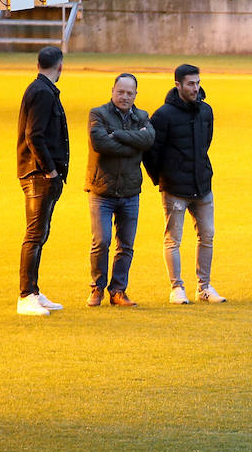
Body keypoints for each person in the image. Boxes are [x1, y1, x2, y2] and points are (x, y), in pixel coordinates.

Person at [145, 63, 223, 304]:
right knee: (173, 239)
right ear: (177, 84)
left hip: (203, 185)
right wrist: (162, 178)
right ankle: (176, 288)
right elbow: (151, 152)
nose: (195, 88)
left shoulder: (206, 110)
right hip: (174, 188)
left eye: (198, 83)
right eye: (190, 84)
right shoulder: (163, 115)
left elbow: (206, 143)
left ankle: (204, 287)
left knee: (207, 236)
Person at [86, 73, 155, 308]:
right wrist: (133, 145)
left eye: (129, 93)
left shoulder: (142, 116)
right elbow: (100, 144)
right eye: (121, 92)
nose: (124, 96)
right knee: (102, 241)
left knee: (126, 245)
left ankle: (118, 290)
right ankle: (97, 288)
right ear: (112, 91)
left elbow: (149, 140)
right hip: (101, 190)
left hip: (130, 191)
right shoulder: (98, 114)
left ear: (135, 95)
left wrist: (119, 135)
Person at [15, 45, 69, 316]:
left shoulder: (41, 89)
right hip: (37, 175)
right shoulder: (43, 92)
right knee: (35, 234)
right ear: (60, 66)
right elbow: (33, 135)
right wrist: (50, 170)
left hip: (38, 173)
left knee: (40, 233)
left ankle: (33, 291)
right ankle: (26, 295)